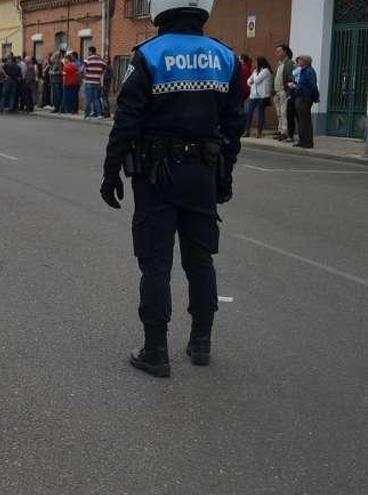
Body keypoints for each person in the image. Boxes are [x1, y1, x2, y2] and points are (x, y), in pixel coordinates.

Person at [100, 0, 243, 378]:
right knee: (201, 259)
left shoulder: (149, 55)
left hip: (156, 174)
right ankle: (201, 343)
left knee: (156, 262)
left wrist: (111, 171)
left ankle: (155, 349)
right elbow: (233, 126)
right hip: (203, 173)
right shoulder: (225, 56)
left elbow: (127, 120)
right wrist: (224, 176)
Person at [290, 55, 318, 149]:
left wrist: (314, 97)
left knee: (305, 121)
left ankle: (308, 141)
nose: (298, 62)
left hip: (304, 98)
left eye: (300, 60)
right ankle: (302, 140)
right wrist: (296, 86)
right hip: (299, 97)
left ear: (305, 61)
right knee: (301, 121)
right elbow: (302, 84)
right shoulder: (303, 71)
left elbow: (312, 85)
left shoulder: (309, 71)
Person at [244, 56, 273, 138]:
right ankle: (247, 131)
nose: (254, 64)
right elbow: (248, 81)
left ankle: (259, 132)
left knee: (261, 114)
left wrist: (253, 79)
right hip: (253, 95)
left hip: (262, 96)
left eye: (256, 62)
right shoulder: (255, 71)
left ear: (260, 62)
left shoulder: (266, 71)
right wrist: (252, 80)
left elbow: (257, 80)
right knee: (249, 113)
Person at [273, 44, 294, 141]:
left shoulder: (289, 63)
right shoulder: (279, 64)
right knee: (279, 113)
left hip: (284, 91)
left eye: (279, 51)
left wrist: (288, 92)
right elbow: (276, 77)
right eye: (276, 51)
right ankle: (280, 130)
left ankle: (285, 132)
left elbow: (290, 77)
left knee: (283, 112)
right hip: (277, 92)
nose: (277, 53)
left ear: (285, 52)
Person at [83, 46, 107, 119]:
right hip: (97, 82)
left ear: (90, 51)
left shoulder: (87, 60)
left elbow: (84, 70)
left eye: (88, 51)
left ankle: (87, 115)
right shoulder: (101, 60)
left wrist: (85, 76)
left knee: (88, 99)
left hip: (89, 81)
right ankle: (99, 114)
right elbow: (104, 70)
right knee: (96, 98)